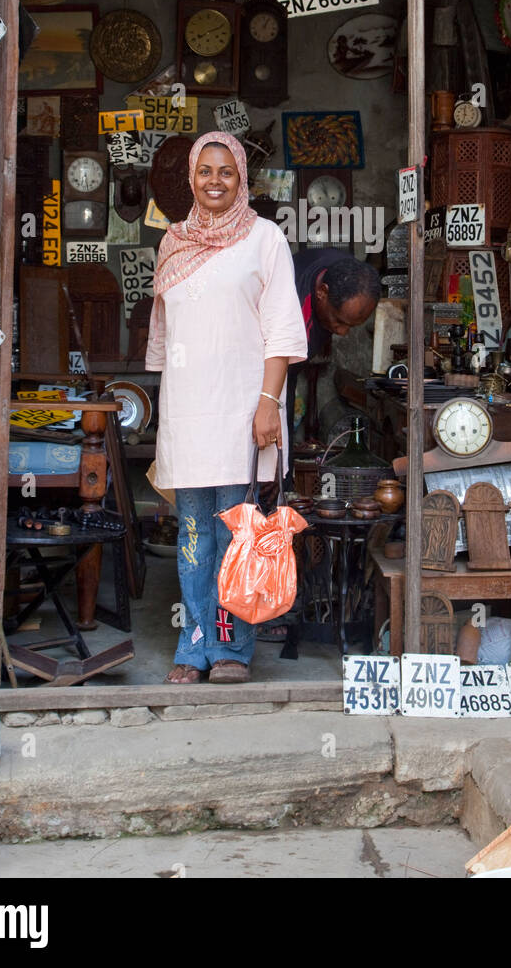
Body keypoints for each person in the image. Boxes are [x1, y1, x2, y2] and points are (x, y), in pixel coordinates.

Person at [146, 132, 307, 685]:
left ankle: (233, 649)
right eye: (205, 171)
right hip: (189, 413)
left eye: (227, 172)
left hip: (244, 411)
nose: (215, 181)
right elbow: (169, 341)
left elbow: (283, 331)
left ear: (242, 180)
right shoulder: (173, 243)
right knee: (192, 540)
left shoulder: (265, 239)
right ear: (191, 178)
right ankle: (193, 647)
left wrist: (268, 403)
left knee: (238, 537)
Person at [286, 252, 381, 448]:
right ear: (322, 292)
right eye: (338, 322)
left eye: (352, 326)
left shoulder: (347, 273)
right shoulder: (290, 301)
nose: (343, 332)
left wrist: (326, 332)